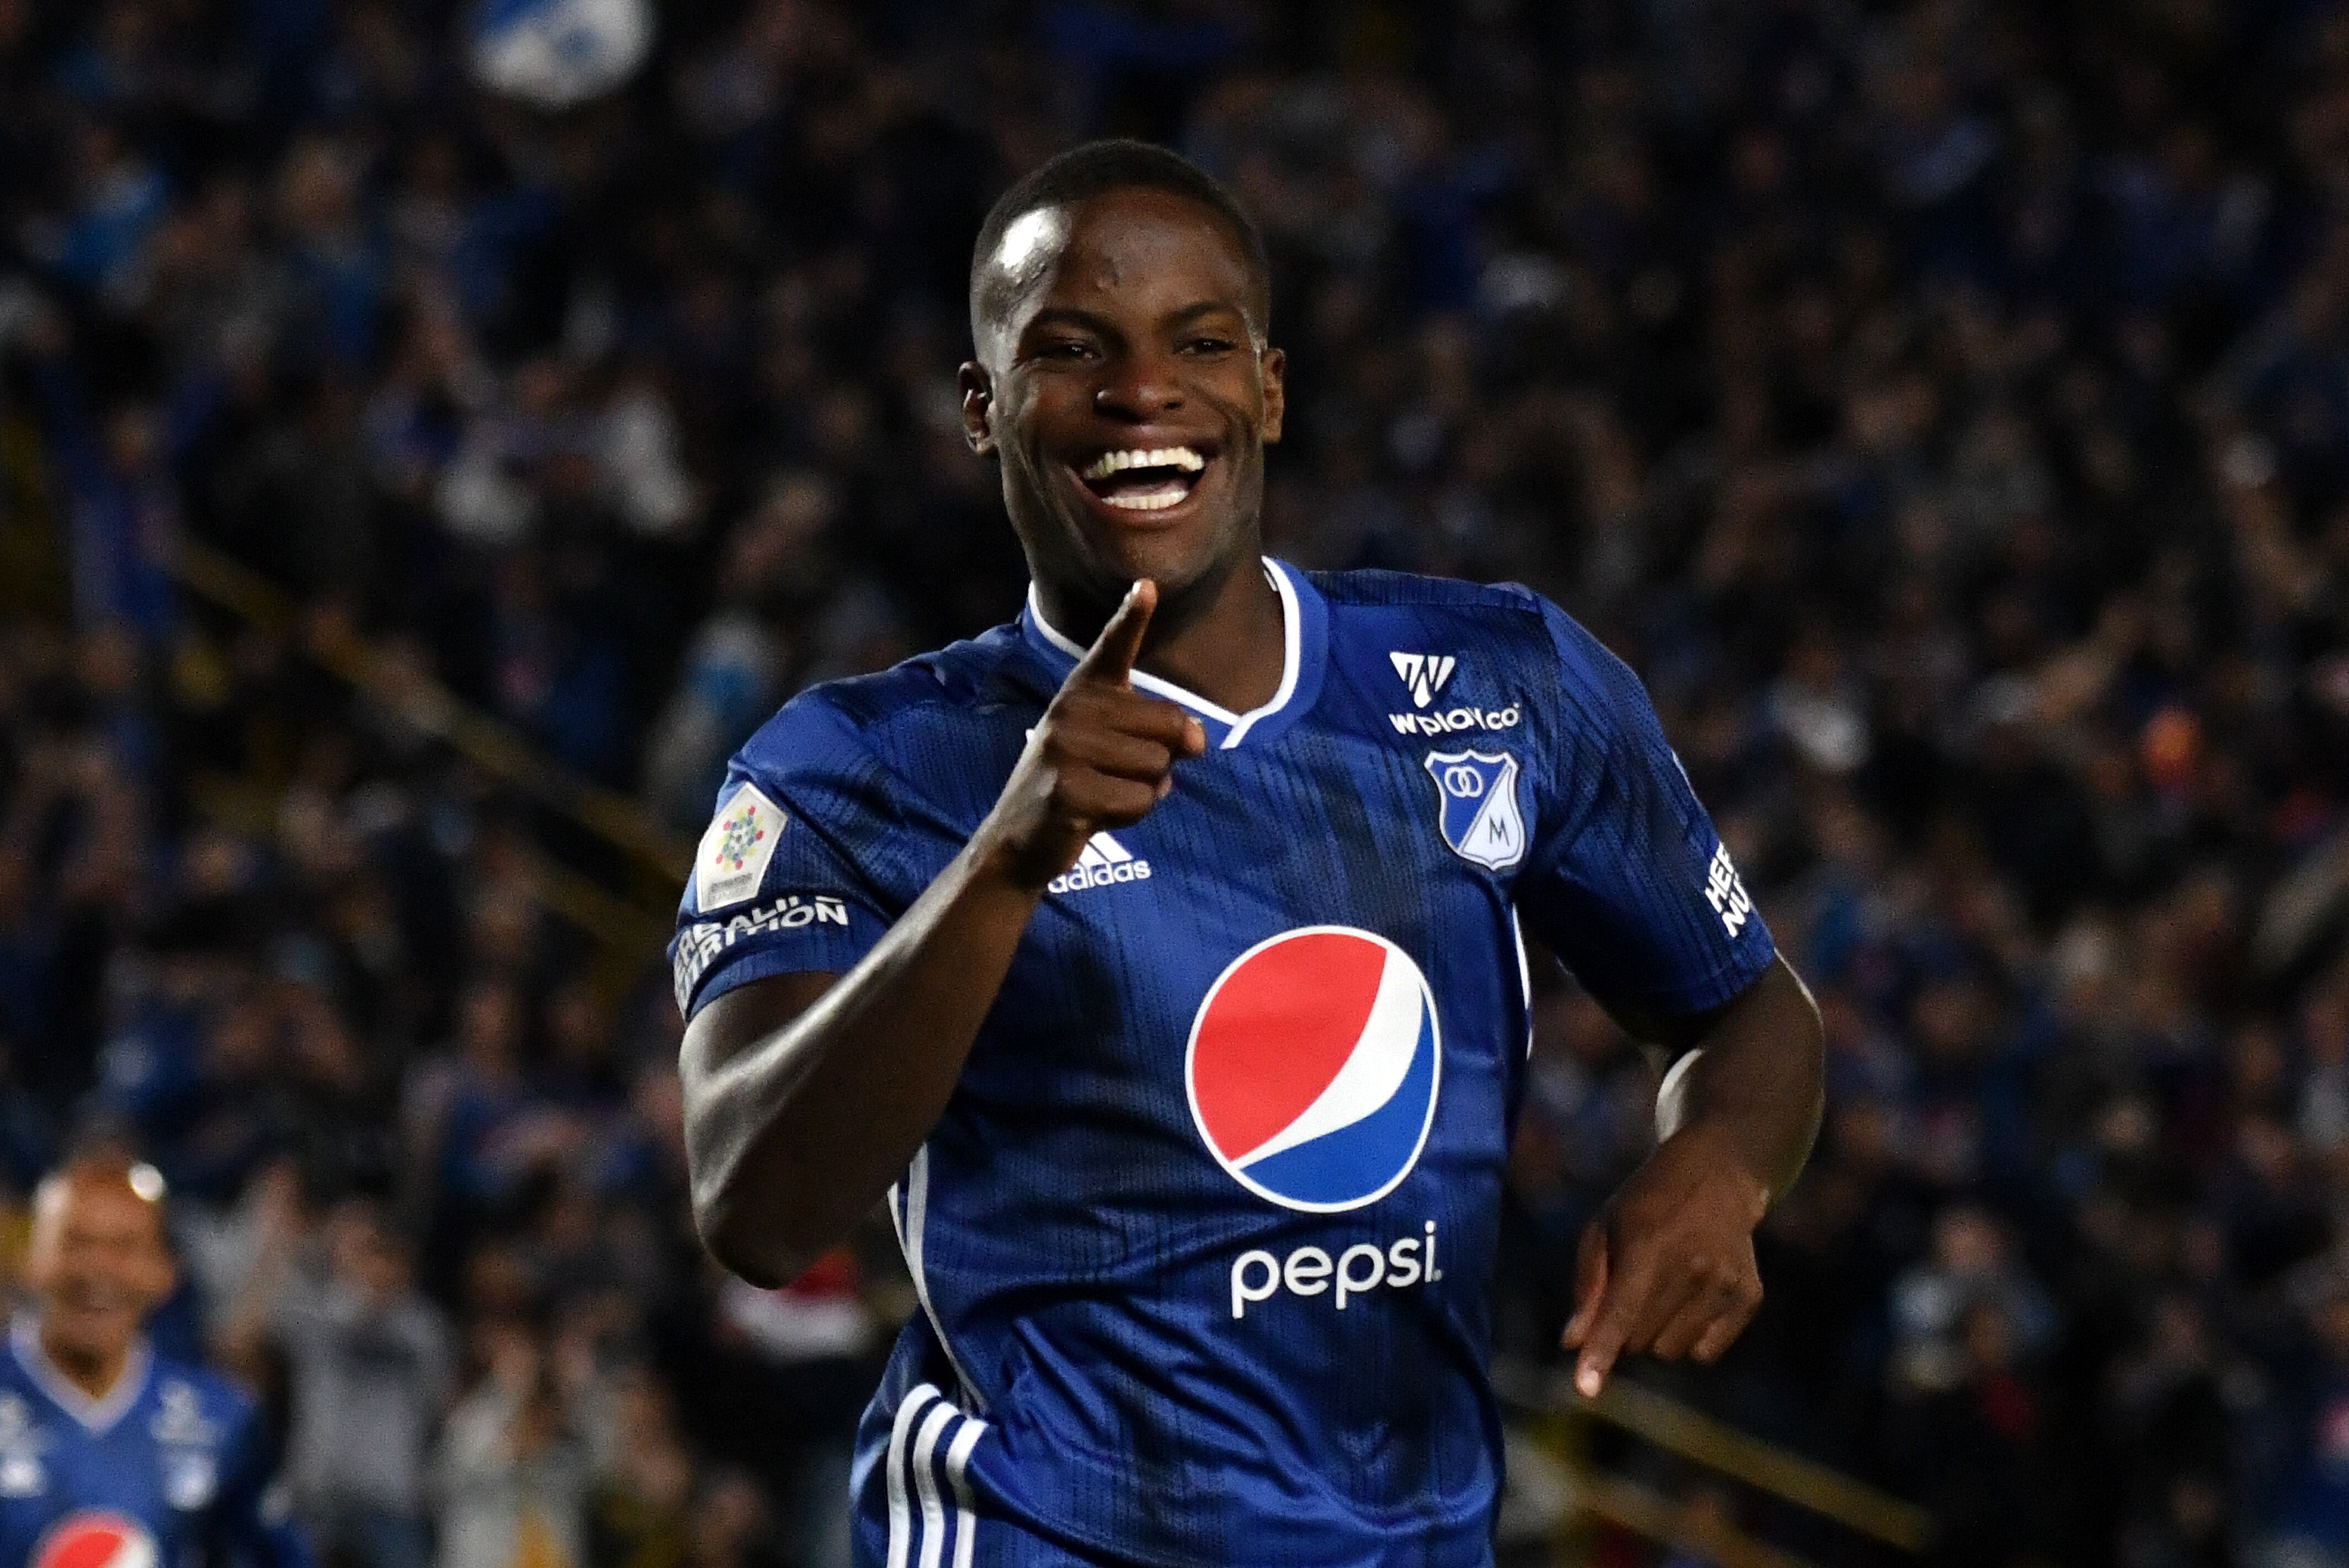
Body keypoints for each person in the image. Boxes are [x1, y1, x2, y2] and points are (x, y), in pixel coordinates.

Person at [674, 140, 1826, 1567]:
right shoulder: (850, 770)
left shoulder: (1508, 680)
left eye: (1199, 343)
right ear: (985, 411)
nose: (1143, 393)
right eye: (1073, 349)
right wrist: (1002, 869)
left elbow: (1747, 1006)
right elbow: (756, 1207)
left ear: (1270, 389)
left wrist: (1720, 1164)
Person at [0, 1155, 312, 1568]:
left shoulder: (224, 1419)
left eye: (125, 1246)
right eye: (76, 1242)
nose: (99, 1267)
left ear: (165, 1272)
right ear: (30, 1261)